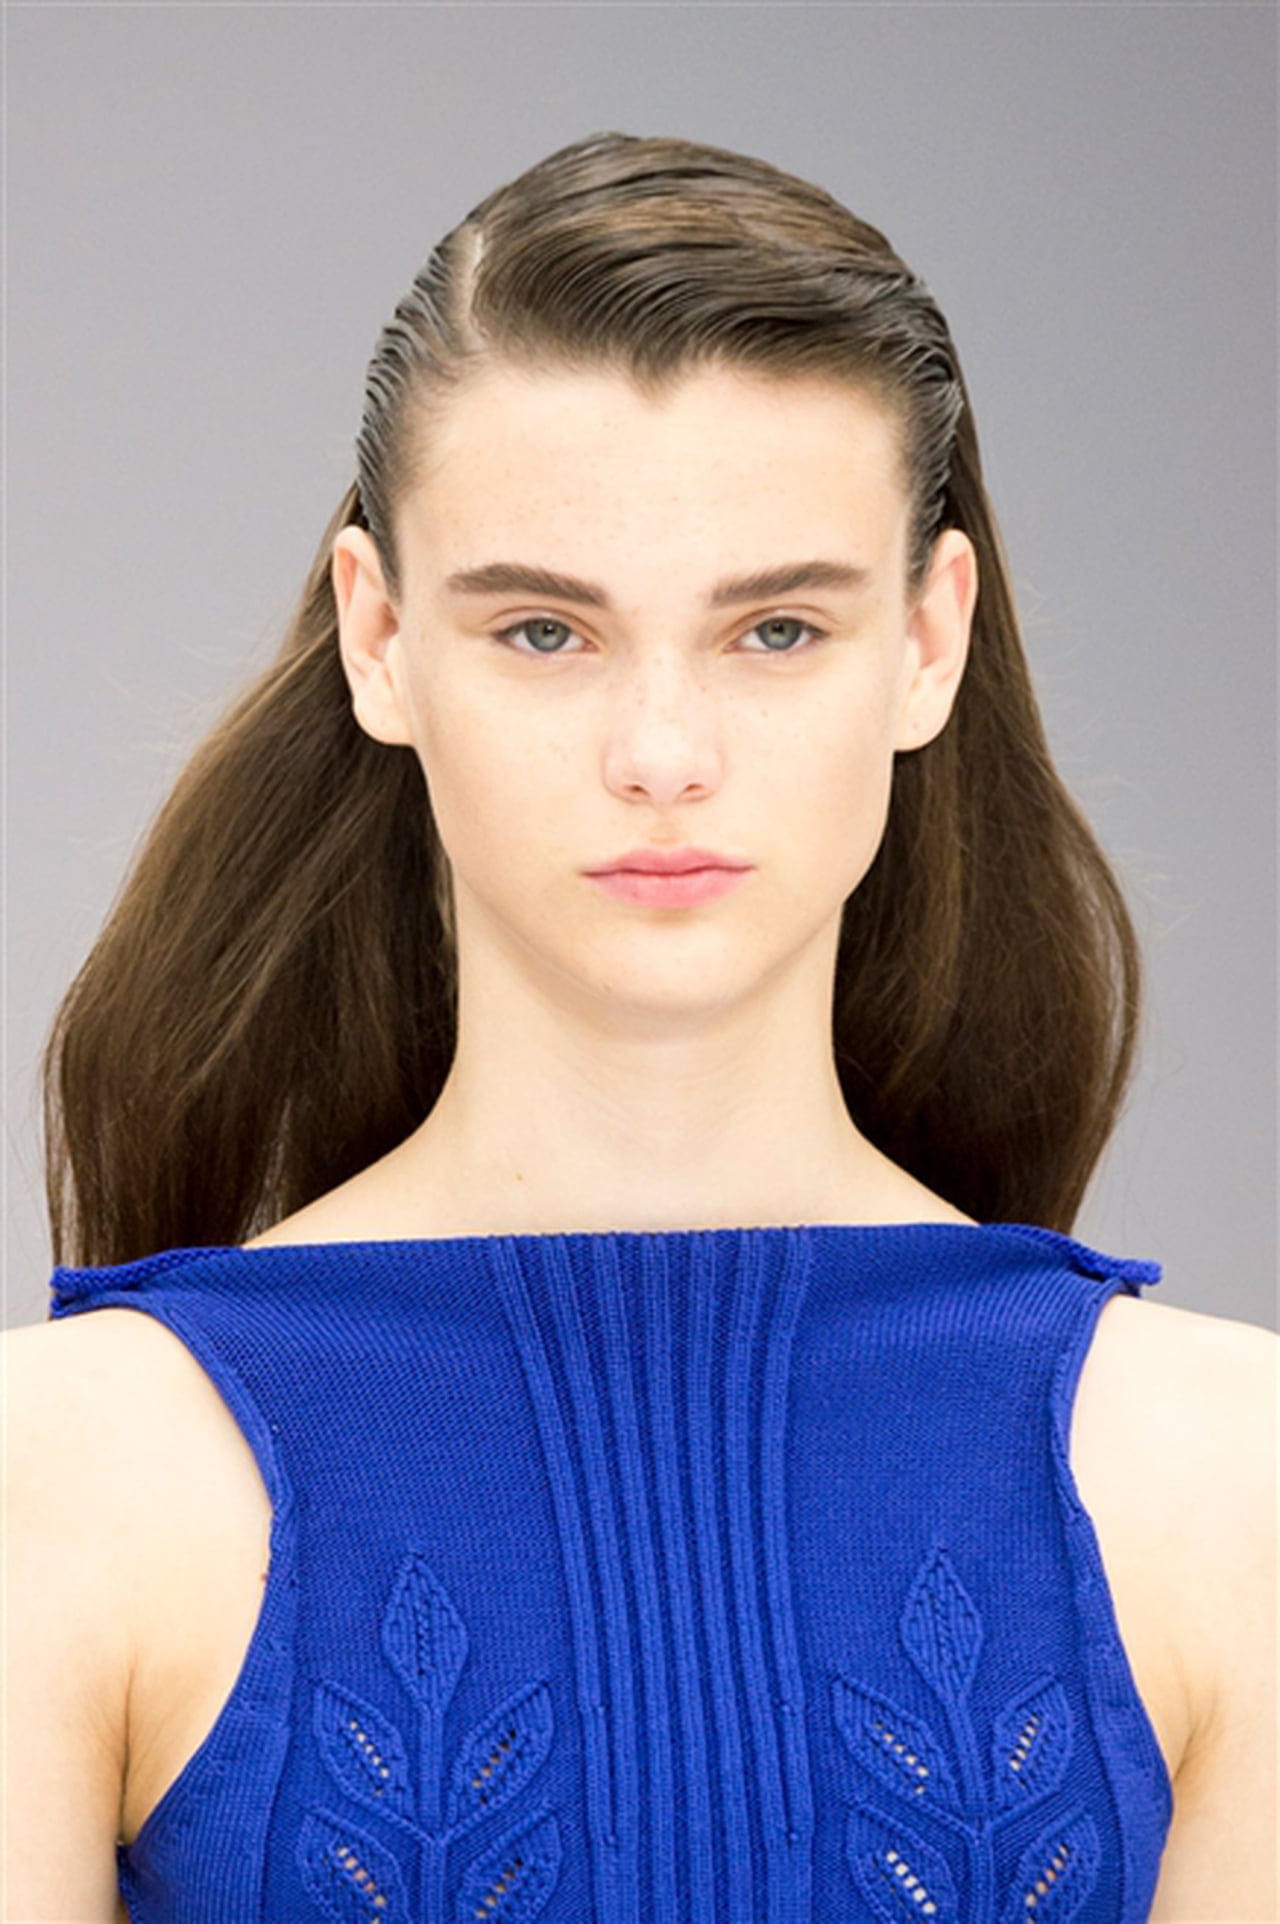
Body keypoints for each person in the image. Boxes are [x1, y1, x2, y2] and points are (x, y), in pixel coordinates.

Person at [4, 131, 1274, 1924]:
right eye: (545, 631)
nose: (662, 753)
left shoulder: (1236, 1485)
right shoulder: (58, 1483)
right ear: (379, 639)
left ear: (929, 642)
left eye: (777, 629)